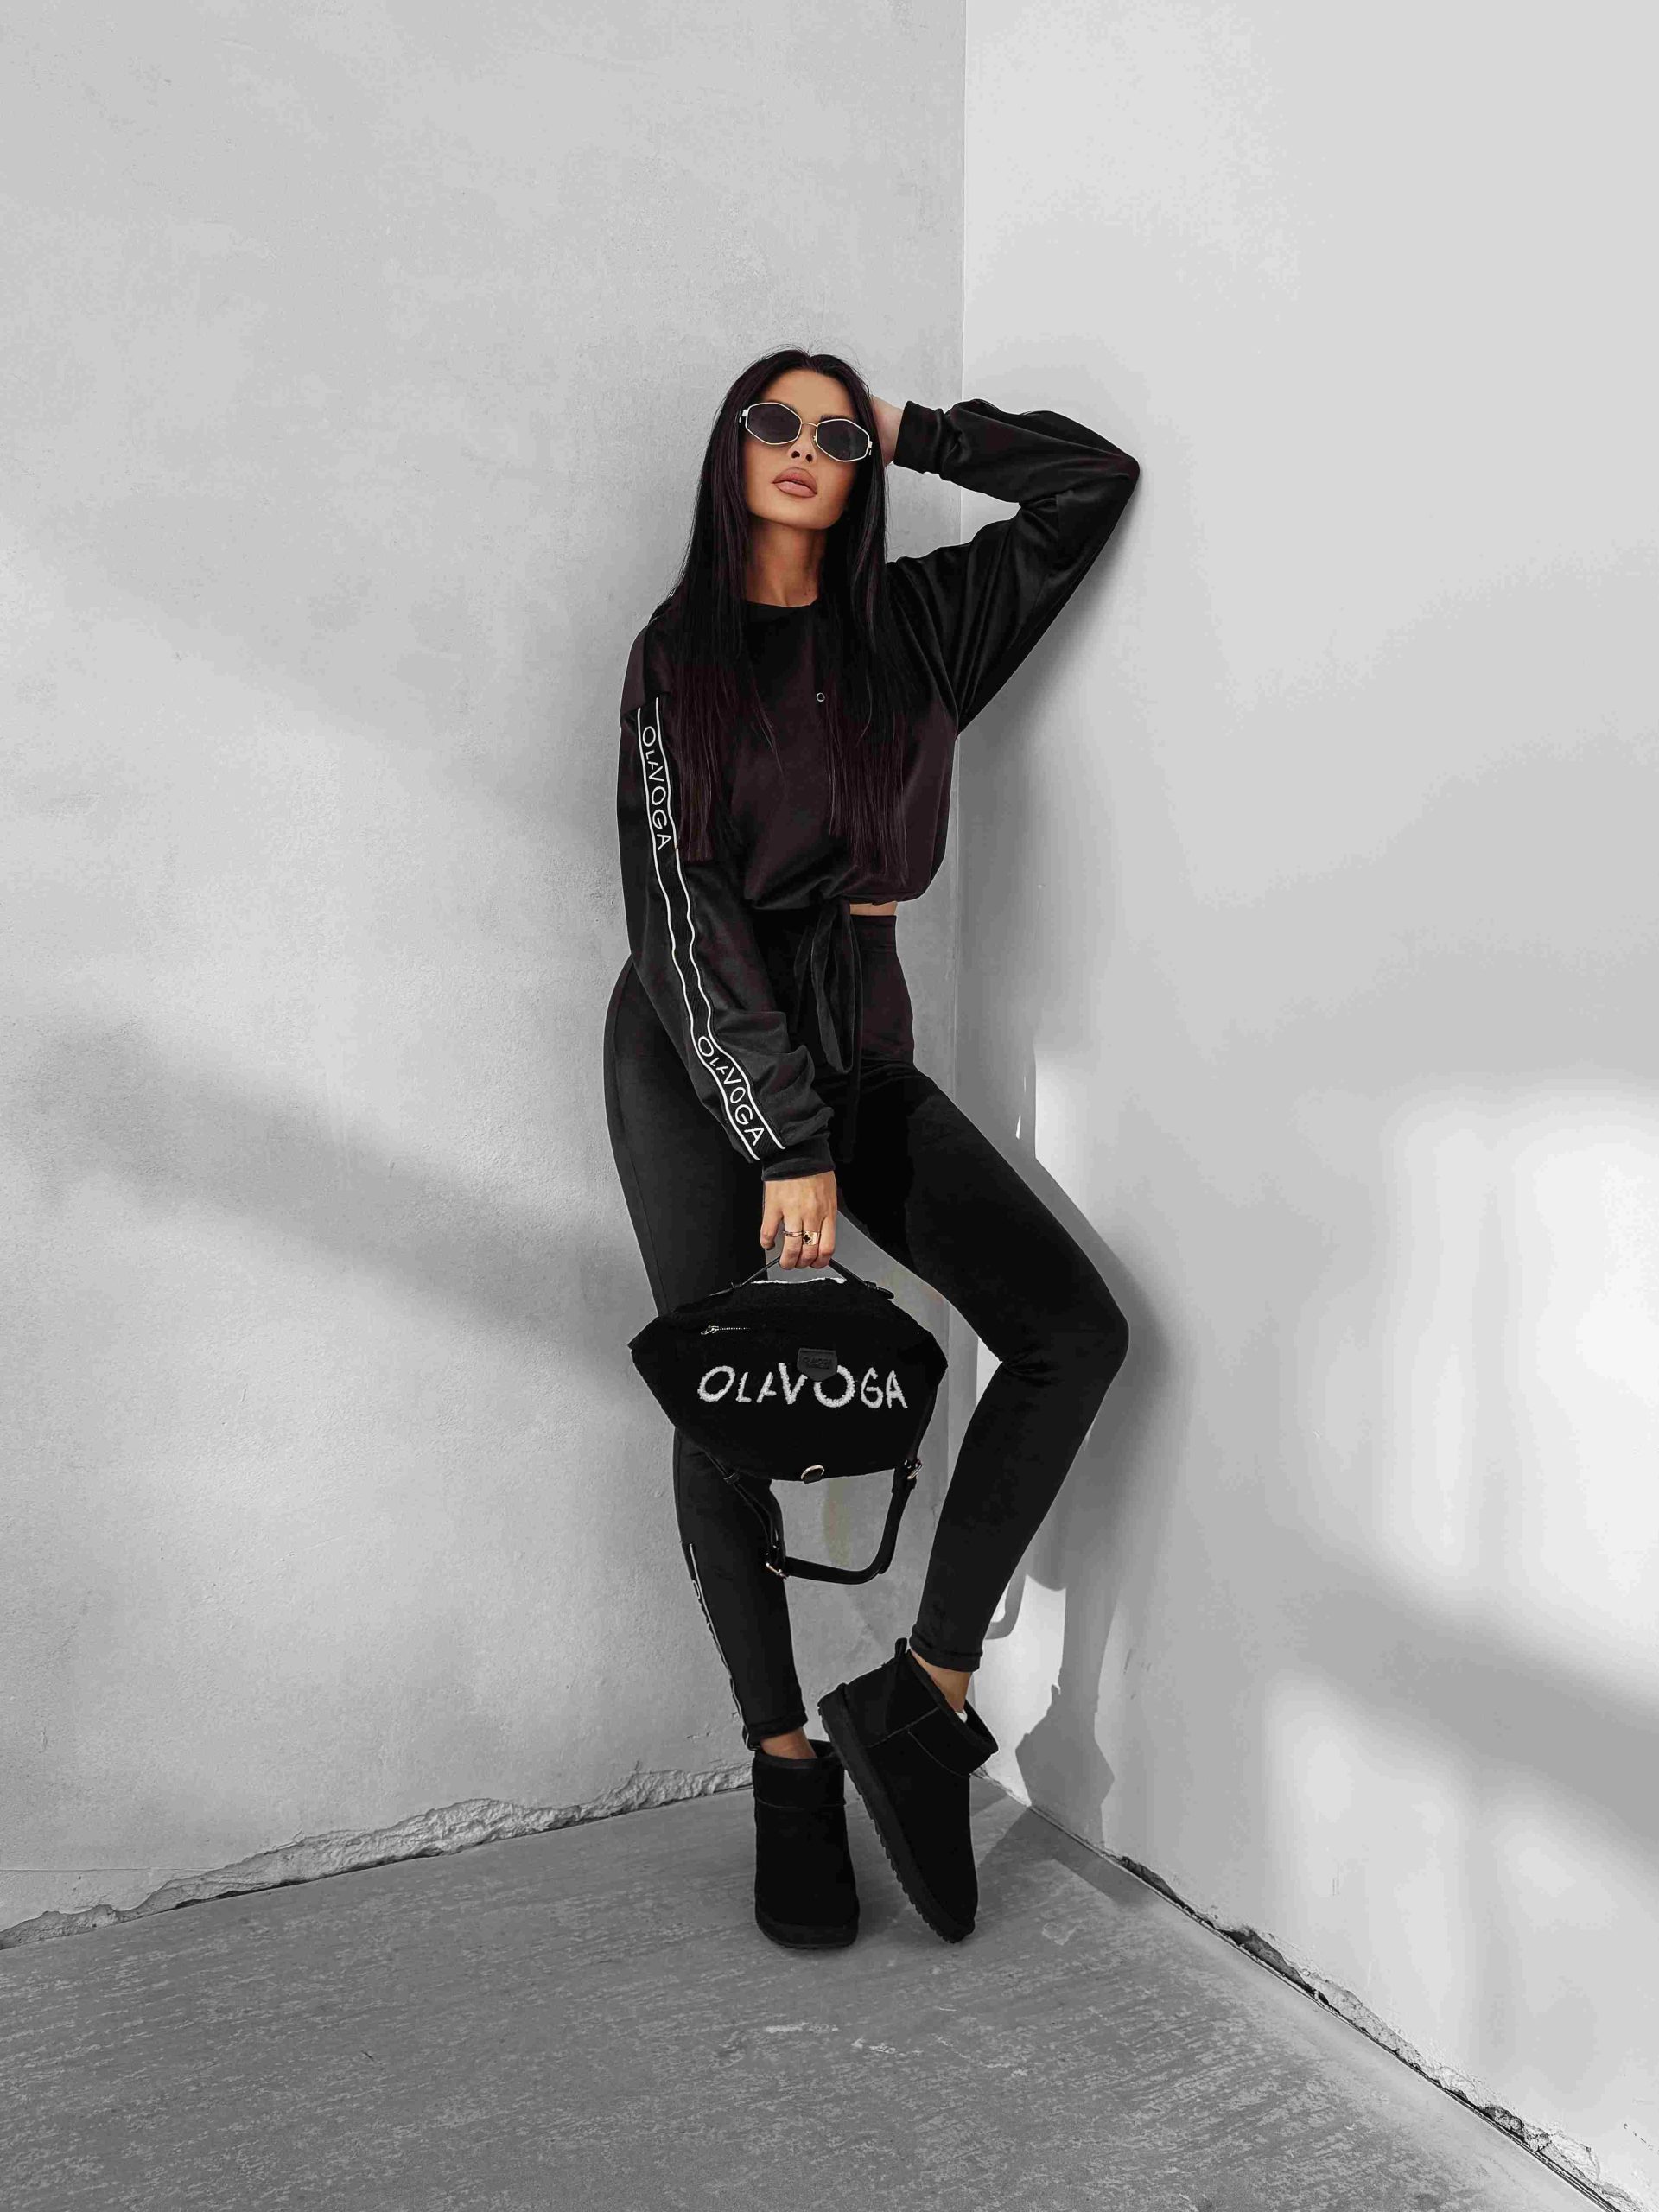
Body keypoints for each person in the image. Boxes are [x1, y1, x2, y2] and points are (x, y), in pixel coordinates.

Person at [603, 346, 1140, 1948]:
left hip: (865, 1042)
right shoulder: (677, 657)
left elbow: (1089, 485)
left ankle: (922, 1698)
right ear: (730, 448)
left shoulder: (921, 626)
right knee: (730, 1397)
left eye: (835, 433)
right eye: (775, 421)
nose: (805, 446)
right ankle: (783, 1768)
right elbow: (681, 907)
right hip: (700, 1047)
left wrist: (912, 425)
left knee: (1069, 1331)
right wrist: (781, 1138)